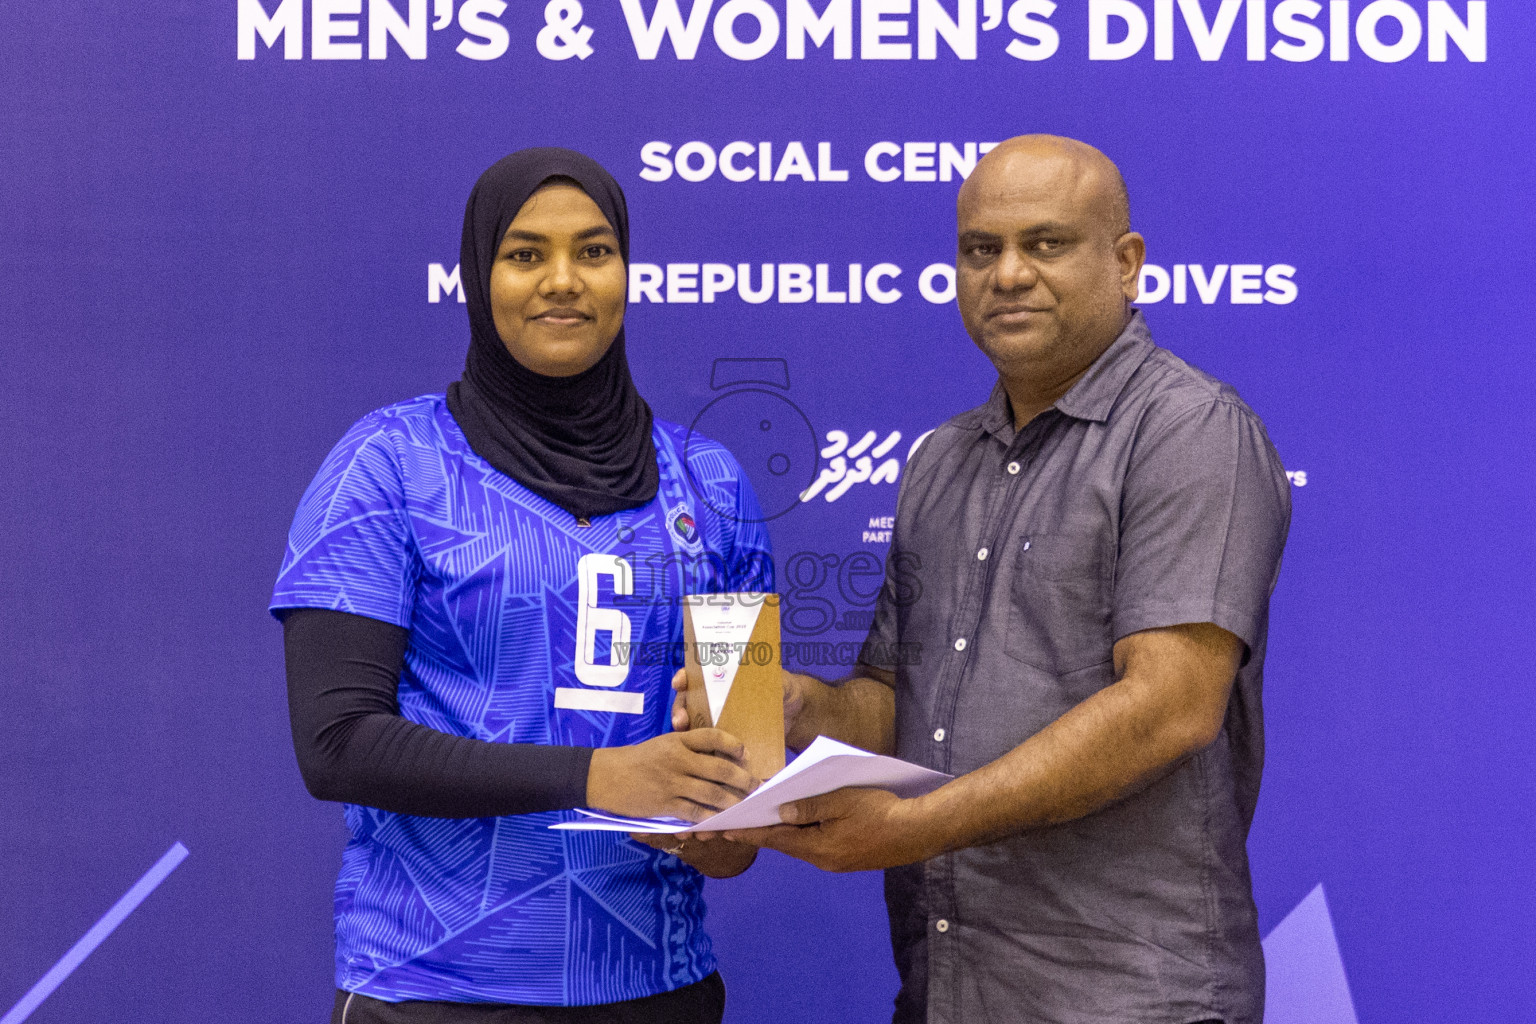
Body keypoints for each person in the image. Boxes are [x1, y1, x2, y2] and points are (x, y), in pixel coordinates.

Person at [688, 135, 1292, 1024]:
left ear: (1126, 264)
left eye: (1045, 244)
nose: (1007, 273)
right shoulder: (941, 460)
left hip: (1129, 998)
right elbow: (898, 695)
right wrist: (797, 711)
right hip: (950, 987)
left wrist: (910, 829)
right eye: (981, 249)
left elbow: (1171, 705)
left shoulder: (1188, 429)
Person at [270, 148, 773, 1024]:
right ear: (478, 274)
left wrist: (729, 829)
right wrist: (599, 776)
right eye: (526, 254)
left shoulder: (714, 483)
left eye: (595, 250)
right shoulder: (389, 464)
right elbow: (337, 744)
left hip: (660, 986)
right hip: (433, 988)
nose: (564, 281)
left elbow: (745, 756)